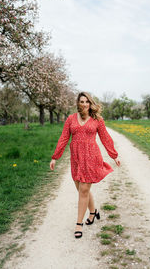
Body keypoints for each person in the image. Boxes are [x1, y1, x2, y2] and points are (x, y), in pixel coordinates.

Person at [50, 92, 120, 239]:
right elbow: (63, 138)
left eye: (87, 101)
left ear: (90, 103)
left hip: (91, 157)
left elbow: (105, 137)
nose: (84, 104)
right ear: (78, 103)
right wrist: (55, 157)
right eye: (81, 101)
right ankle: (93, 212)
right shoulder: (70, 119)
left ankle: (78, 224)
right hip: (76, 158)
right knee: (82, 190)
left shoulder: (97, 120)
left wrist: (114, 155)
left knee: (83, 190)